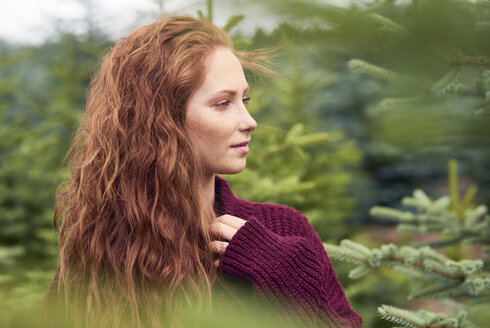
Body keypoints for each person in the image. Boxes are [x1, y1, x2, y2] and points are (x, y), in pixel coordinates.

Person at [45, 15, 363, 328]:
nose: (250, 120)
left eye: (245, 99)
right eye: (223, 103)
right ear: (162, 119)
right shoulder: (103, 246)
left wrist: (280, 273)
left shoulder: (283, 230)